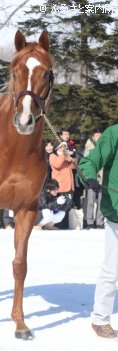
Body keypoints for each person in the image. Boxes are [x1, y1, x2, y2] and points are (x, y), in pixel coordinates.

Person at [78, 123, 118, 339]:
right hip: (117, 212)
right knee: (112, 269)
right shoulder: (115, 133)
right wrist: (89, 175)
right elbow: (91, 160)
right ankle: (100, 318)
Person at [49, 141, 76, 229]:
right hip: (59, 187)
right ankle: (57, 225)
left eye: (65, 147)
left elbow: (74, 166)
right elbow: (57, 165)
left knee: (67, 207)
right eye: (61, 147)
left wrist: (72, 156)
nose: (63, 149)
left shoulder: (65, 156)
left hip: (69, 186)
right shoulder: (53, 156)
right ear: (57, 148)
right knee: (59, 207)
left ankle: (65, 226)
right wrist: (63, 155)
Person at [82, 128, 104, 229]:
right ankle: (89, 221)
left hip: (103, 178)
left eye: (100, 136)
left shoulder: (105, 147)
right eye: (97, 136)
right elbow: (87, 162)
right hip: (92, 178)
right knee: (90, 201)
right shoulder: (89, 148)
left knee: (101, 201)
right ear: (93, 137)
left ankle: (99, 221)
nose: (99, 138)